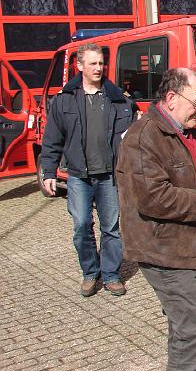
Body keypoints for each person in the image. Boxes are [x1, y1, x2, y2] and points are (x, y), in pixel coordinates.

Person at [116, 68, 196, 371]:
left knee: (188, 328)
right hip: (162, 248)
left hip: (191, 245)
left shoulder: (188, 130)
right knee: (194, 332)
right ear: (172, 97)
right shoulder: (143, 136)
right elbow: (154, 196)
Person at [41, 42, 135, 297]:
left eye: (101, 63)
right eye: (92, 63)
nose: (98, 68)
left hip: (109, 176)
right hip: (78, 176)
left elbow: (131, 139)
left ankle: (112, 275)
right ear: (79, 66)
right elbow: (52, 140)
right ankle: (91, 273)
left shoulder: (119, 101)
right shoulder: (63, 101)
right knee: (82, 226)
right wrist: (48, 173)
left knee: (111, 228)